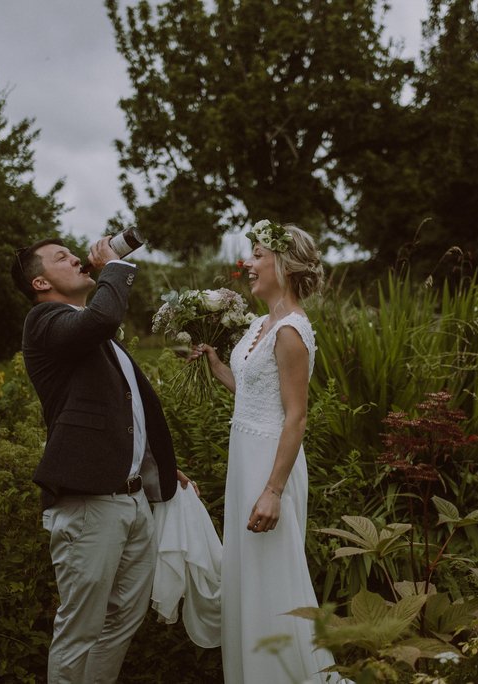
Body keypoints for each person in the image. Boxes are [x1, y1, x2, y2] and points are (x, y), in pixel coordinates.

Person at [11, 236, 193, 684]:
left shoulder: (92, 334)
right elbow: (105, 317)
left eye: (73, 253)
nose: (75, 257)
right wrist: (114, 266)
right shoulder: (45, 321)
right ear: (39, 281)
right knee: (81, 629)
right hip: (88, 503)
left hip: (131, 500)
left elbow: (119, 410)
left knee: (121, 623)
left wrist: (157, 464)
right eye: (60, 257)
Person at [190, 221, 339, 684]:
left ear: (285, 264)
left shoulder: (291, 331)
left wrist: (273, 490)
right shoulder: (259, 324)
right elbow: (256, 394)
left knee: (272, 575)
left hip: (271, 466)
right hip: (246, 458)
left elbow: (295, 416)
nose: (247, 264)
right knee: (248, 574)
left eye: (257, 255)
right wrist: (217, 366)